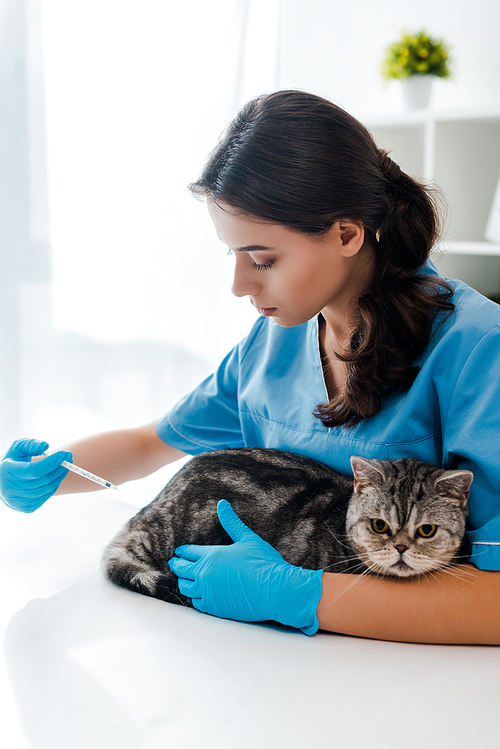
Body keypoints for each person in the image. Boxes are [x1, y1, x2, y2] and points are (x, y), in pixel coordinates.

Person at [2, 90, 500, 644]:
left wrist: (301, 596)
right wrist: (48, 475)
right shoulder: (275, 341)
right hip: (260, 658)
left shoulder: (478, 350)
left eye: (263, 259)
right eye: (233, 255)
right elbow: (151, 443)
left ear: (347, 234)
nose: (240, 285)